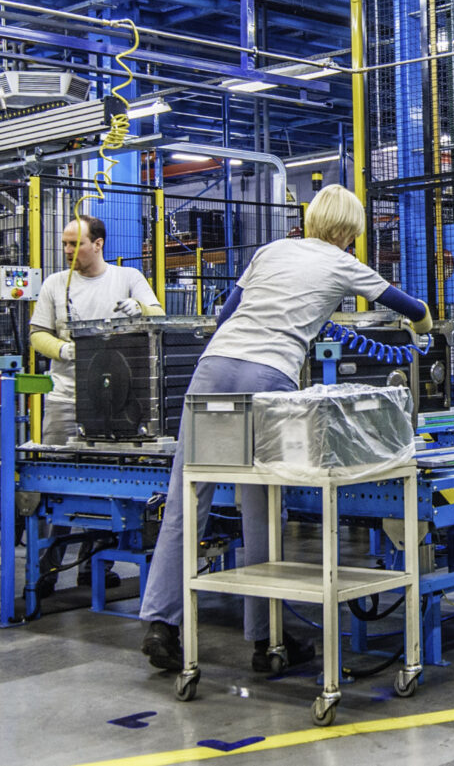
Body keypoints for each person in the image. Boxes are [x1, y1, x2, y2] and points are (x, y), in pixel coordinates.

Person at [139, 185, 432, 674]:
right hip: (267, 376)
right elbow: (411, 307)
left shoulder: (271, 250)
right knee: (261, 507)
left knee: (187, 500)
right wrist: (424, 330)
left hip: (212, 369)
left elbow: (225, 315)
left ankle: (160, 624)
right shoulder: (343, 263)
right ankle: (265, 640)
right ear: (349, 233)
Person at [27, 215, 163, 445]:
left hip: (121, 400)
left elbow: (160, 318)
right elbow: (37, 334)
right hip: (66, 401)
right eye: (65, 244)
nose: (68, 250)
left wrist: (140, 308)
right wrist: (64, 350)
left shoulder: (128, 277)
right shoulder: (54, 283)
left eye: (76, 244)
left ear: (98, 244)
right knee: (56, 467)